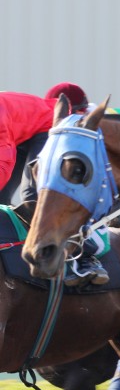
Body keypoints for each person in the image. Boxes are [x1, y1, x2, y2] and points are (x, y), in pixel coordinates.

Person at [0, 85, 108, 286]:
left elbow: (4, 162)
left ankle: (86, 258)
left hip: (46, 128)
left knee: (33, 197)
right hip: (20, 134)